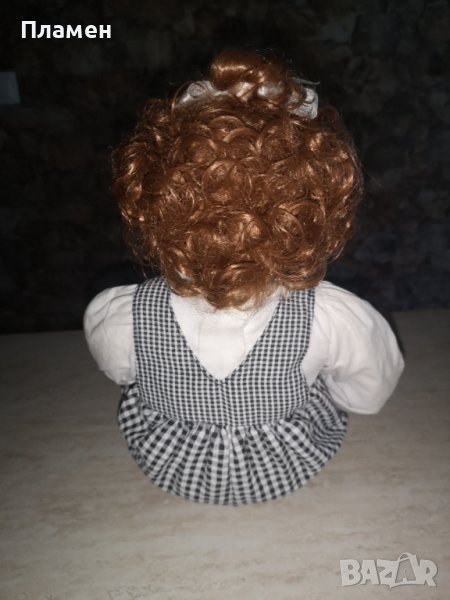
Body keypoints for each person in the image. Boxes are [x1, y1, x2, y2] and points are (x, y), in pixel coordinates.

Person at [83, 48, 404, 506]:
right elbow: (370, 389)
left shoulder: (126, 315)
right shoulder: (328, 316)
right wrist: (324, 388)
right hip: (288, 465)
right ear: (316, 213)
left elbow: (119, 370)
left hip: (170, 465)